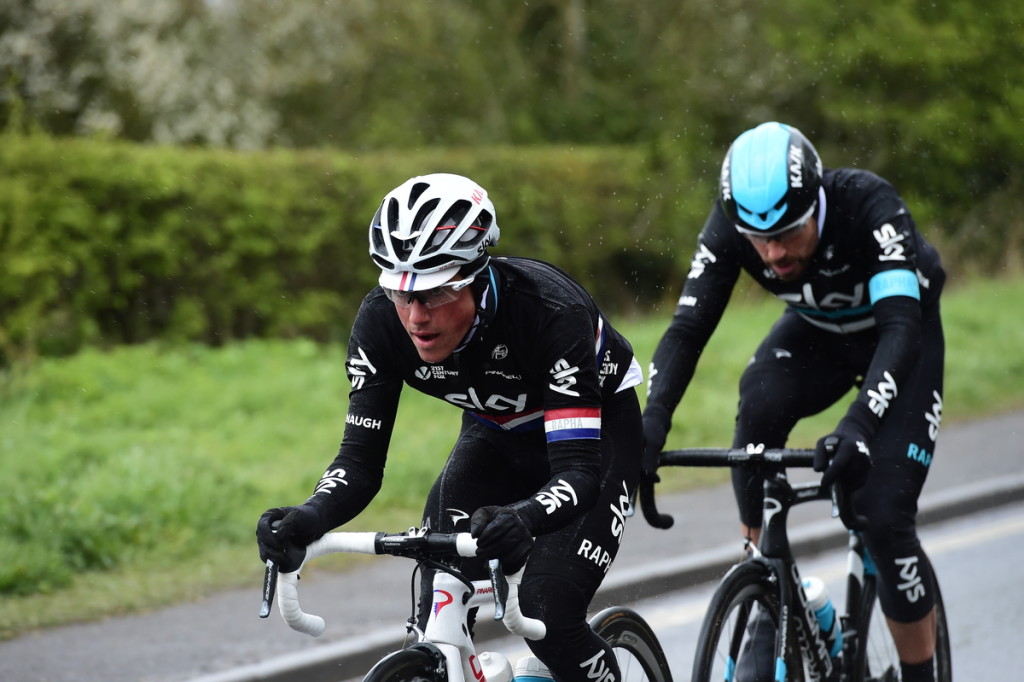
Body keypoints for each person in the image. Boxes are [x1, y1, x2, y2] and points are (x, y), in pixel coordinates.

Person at [256, 173, 644, 682]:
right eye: (400, 291)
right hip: (495, 435)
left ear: (477, 277)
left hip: (595, 438)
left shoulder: (550, 312)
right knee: (433, 620)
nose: (415, 316)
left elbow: (577, 472)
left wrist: (525, 516)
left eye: (436, 293)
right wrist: (309, 516)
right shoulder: (380, 323)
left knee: (546, 612)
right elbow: (360, 463)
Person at [642, 122, 946, 682]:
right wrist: (651, 422)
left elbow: (901, 329)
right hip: (817, 336)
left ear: (817, 202)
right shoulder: (734, 227)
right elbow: (688, 329)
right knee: (757, 406)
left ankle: (922, 673)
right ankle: (767, 584)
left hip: (900, 342)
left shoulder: (868, 206)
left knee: (882, 517)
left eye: (787, 234)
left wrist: (858, 424)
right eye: (759, 241)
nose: (773, 252)